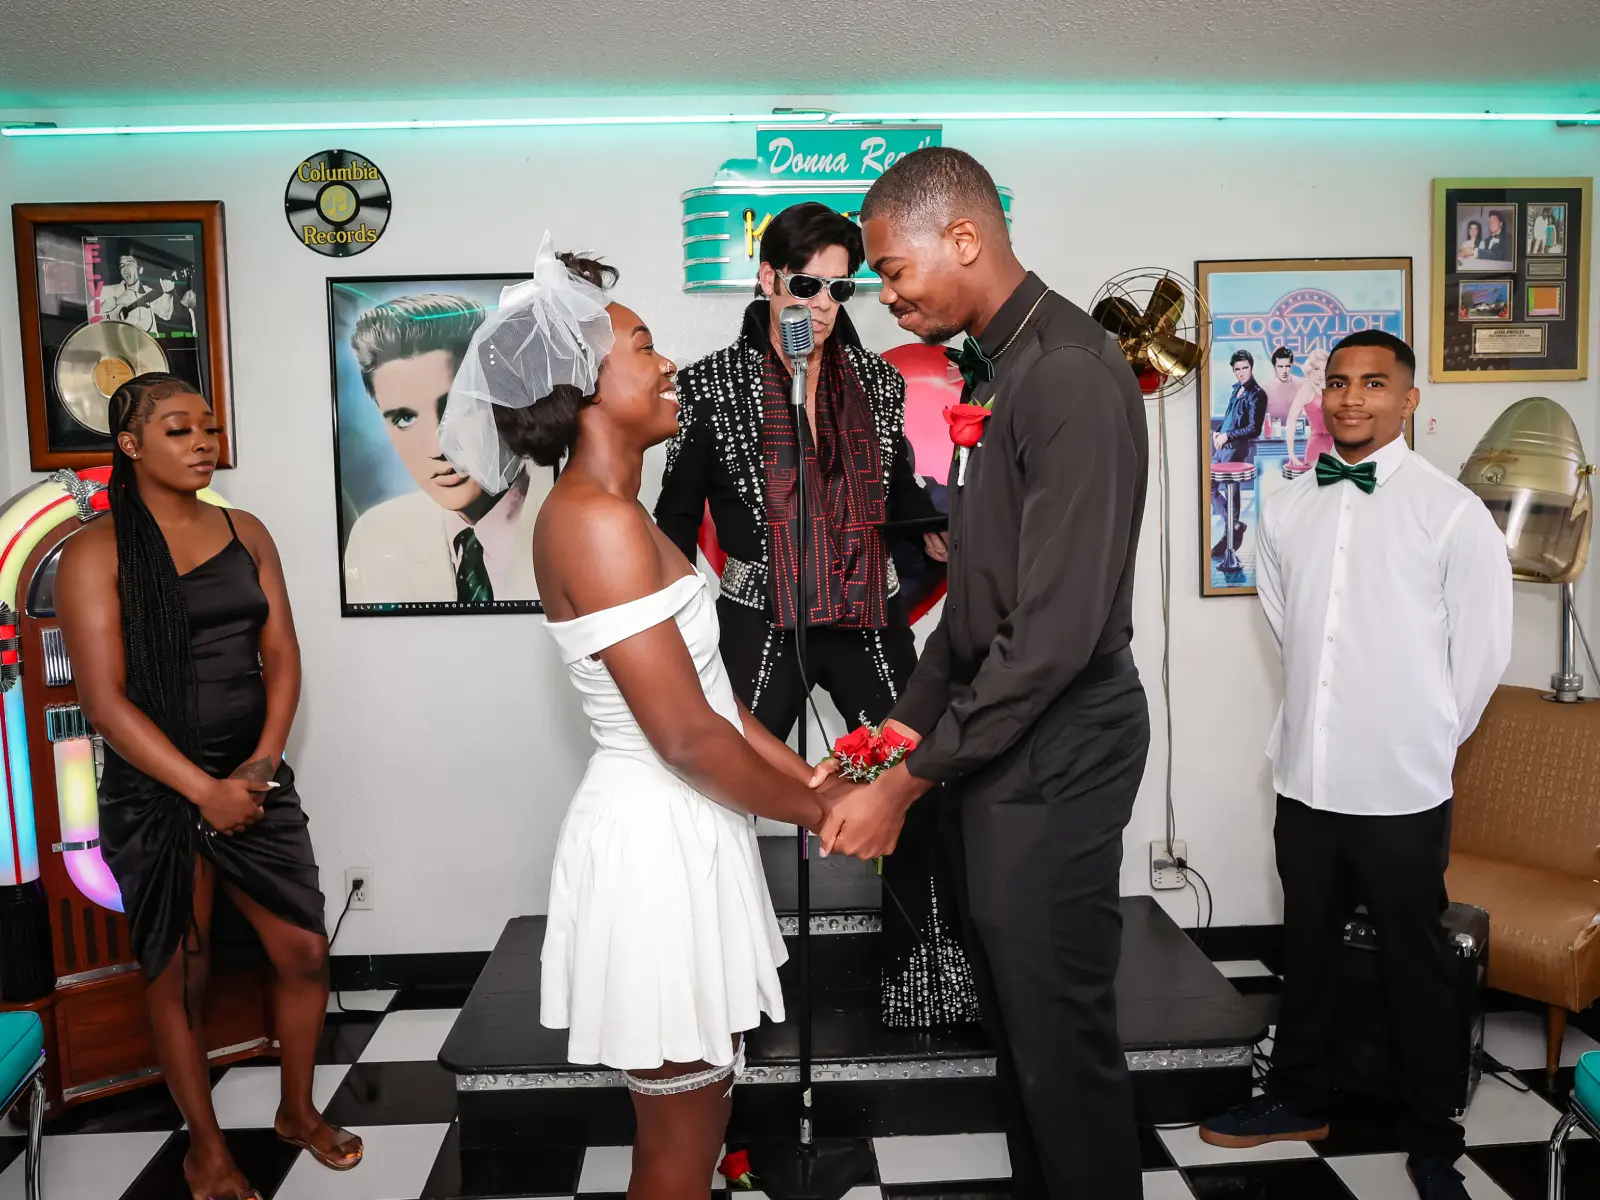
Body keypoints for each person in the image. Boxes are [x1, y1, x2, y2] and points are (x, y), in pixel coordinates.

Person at [440, 235, 847, 1200]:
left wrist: (807, 778)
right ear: (582, 385)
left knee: (694, 1130)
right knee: (674, 1147)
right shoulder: (595, 521)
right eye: (644, 344)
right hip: (655, 839)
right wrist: (822, 816)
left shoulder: (624, 515)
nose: (668, 363)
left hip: (685, 824)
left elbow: (716, 703)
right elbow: (685, 737)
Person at [823, 146, 1151, 1200]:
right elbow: (975, 617)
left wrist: (909, 784)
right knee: (1015, 1027)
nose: (883, 294)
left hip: (1060, 737)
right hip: (1003, 729)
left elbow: (1049, 639)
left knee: (1061, 1045)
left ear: (963, 238)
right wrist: (893, 739)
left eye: (889, 269)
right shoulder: (998, 366)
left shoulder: (1066, 372)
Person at [1198, 330, 1512, 1200]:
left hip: (1402, 787)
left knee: (1416, 965)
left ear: (1409, 402)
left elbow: (1480, 658)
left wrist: (1413, 738)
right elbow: (1286, 622)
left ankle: (1432, 1135)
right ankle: (1299, 1095)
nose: (1351, 399)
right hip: (1304, 775)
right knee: (1308, 947)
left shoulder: (1451, 513)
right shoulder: (1288, 504)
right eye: (1339, 383)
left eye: (1374, 384)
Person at [654, 201, 977, 1030]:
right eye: (808, 285)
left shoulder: (874, 381)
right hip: (760, 621)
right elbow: (673, 519)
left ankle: (923, 978)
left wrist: (931, 528)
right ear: (768, 280)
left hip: (866, 616)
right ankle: (711, 988)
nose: (825, 305)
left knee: (918, 783)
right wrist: (672, 624)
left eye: (842, 288)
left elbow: (899, 489)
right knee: (713, 792)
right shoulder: (708, 385)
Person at [54, 374, 359, 1200]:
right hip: (155, 793)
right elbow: (104, 704)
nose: (201, 443)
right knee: (178, 974)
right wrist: (202, 789)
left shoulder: (245, 531)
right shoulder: (95, 552)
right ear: (129, 447)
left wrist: (257, 768)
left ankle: (296, 1111)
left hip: (250, 782)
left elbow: (284, 655)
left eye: (209, 429)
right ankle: (206, 1150)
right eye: (179, 429)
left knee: (301, 950)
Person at [343, 294, 542, 605]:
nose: (439, 447)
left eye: (458, 406)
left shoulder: (571, 518)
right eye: (405, 418)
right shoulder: (375, 537)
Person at [1211, 348, 1268, 558]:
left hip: (1235, 448)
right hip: (1222, 445)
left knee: (1231, 492)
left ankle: (1230, 536)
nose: (1242, 372)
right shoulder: (1237, 390)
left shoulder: (1257, 394)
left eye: (1245, 368)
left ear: (1251, 368)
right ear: (1234, 371)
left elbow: (1254, 428)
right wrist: (1217, 433)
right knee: (1210, 487)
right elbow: (1228, 417)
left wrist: (1227, 436)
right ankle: (1234, 524)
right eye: (1238, 369)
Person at [1284, 347, 1331, 469]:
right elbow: (1291, 419)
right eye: (1317, 368)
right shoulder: (1307, 389)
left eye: (1324, 369)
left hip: (1337, 447)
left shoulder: (1331, 389)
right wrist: (1291, 454)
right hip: (1318, 446)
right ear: (1309, 369)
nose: (1321, 373)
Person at [1261, 345, 1299, 429]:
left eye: (1287, 366)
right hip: (1274, 438)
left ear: (1292, 365)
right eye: (1280, 367)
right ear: (1274, 366)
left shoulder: (1302, 385)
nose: (1284, 371)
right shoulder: (1264, 389)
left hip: (1297, 436)